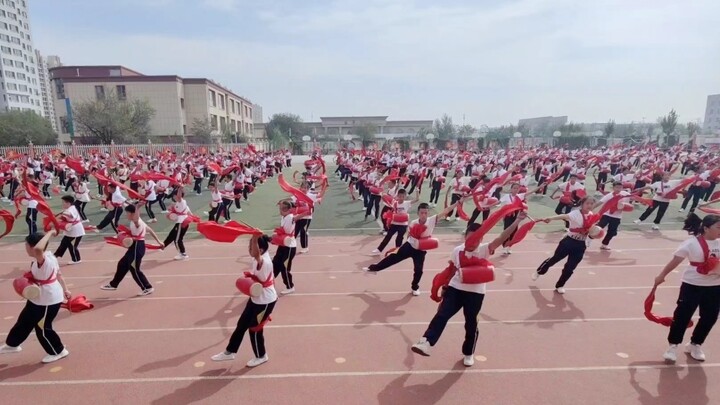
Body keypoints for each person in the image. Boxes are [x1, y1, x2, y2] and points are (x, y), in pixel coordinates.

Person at [410, 214, 526, 366]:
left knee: (471, 324)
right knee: (442, 314)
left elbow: (501, 237)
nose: (472, 242)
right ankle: (426, 342)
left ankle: (468, 352)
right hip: (456, 288)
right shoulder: (457, 250)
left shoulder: (485, 249)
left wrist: (517, 220)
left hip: (475, 294)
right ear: (465, 236)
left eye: (476, 239)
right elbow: (452, 269)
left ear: (481, 239)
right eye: (469, 238)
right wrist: (445, 287)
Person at [654, 213, 720, 363]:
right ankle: (673, 346)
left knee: (710, 317)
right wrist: (662, 275)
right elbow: (676, 260)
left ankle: (695, 344)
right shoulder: (691, 243)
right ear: (706, 228)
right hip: (692, 285)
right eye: (718, 227)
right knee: (682, 316)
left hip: (715, 287)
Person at [0, 231, 71, 363]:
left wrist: (49, 232)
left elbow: (39, 249)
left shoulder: (43, 260)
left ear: (32, 246)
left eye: (26, 244)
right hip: (38, 297)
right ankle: (12, 344)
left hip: (47, 300)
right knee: (24, 321)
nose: (25, 246)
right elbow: (59, 275)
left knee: (42, 328)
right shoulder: (49, 256)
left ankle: (59, 351)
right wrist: (66, 289)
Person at [363, 201, 461, 295]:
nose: (423, 215)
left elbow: (446, 211)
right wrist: (405, 244)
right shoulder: (413, 222)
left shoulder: (432, 220)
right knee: (392, 258)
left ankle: (415, 287)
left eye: (425, 213)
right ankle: (374, 268)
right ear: (418, 213)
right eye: (422, 213)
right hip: (409, 246)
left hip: (420, 251)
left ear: (428, 213)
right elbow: (409, 235)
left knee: (419, 270)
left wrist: (457, 203)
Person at [212, 234, 277, 367]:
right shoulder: (258, 258)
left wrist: (254, 237)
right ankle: (230, 352)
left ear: (261, 250)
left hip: (265, 301)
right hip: (256, 298)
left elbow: (257, 256)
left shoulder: (263, 261)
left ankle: (261, 355)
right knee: (242, 324)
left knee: (254, 329)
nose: (249, 249)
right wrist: (255, 237)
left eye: (251, 246)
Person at [532, 196, 597, 294]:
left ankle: (560, 285)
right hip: (568, 242)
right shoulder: (575, 213)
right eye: (587, 203)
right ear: (582, 204)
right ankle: (539, 271)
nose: (589, 205)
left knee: (570, 267)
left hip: (580, 245)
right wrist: (551, 218)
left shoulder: (592, 215)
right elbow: (564, 216)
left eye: (591, 204)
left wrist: (595, 233)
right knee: (555, 259)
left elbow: (592, 230)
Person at [101, 205, 163, 296]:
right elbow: (150, 230)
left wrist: (137, 208)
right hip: (134, 247)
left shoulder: (136, 222)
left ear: (132, 214)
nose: (126, 215)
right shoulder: (138, 221)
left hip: (137, 247)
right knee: (122, 263)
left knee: (134, 269)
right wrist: (159, 241)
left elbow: (136, 218)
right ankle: (113, 284)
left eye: (127, 213)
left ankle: (147, 287)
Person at [594, 182, 630, 250]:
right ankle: (589, 239)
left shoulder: (625, 194)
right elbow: (599, 202)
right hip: (607, 214)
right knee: (598, 228)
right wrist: (590, 209)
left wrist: (643, 200)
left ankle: (604, 244)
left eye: (620, 187)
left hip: (617, 217)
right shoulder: (609, 195)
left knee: (611, 231)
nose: (618, 189)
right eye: (617, 187)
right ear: (613, 188)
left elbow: (634, 198)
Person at [273, 200, 298, 295]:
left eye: (281, 208)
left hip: (290, 246)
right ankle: (268, 283)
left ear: (285, 209)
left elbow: (287, 229)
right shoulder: (284, 217)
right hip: (283, 244)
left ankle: (290, 286)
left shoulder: (290, 217)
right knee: (275, 263)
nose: (279, 210)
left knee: (284, 267)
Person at [53, 195, 85, 265]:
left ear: (68, 203)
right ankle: (55, 256)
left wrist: (62, 213)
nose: (62, 204)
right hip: (71, 230)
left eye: (63, 202)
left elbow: (70, 214)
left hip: (76, 231)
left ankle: (76, 259)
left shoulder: (71, 209)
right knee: (64, 243)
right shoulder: (70, 208)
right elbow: (65, 217)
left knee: (73, 246)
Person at [163, 189, 190, 260]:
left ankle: (183, 253)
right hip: (180, 222)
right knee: (172, 234)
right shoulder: (179, 203)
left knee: (177, 239)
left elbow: (179, 196)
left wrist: (180, 187)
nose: (174, 197)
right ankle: (163, 245)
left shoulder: (182, 202)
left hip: (182, 223)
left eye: (174, 196)